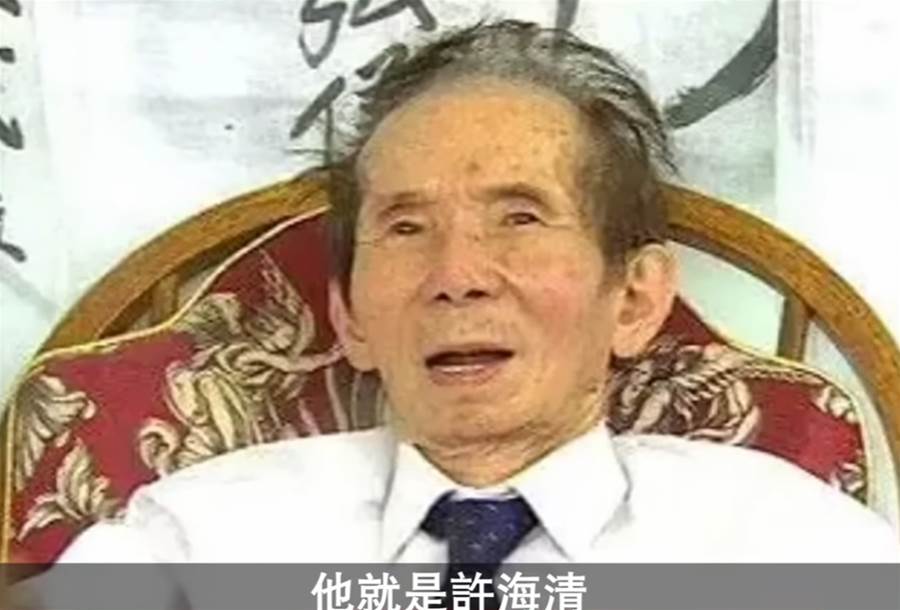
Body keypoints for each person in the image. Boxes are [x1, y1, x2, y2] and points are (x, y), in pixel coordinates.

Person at [48, 18, 900, 571]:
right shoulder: (193, 543)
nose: (457, 275)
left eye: (519, 218)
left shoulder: (790, 548)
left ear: (636, 298)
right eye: (406, 228)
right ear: (350, 314)